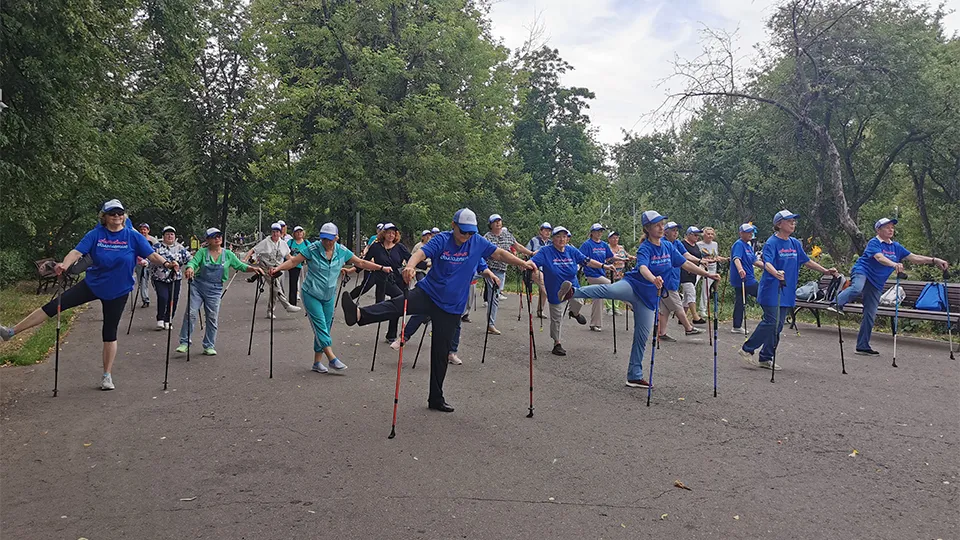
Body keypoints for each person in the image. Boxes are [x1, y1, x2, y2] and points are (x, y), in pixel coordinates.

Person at [340, 208, 536, 413]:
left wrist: (523, 263)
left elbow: (499, 253)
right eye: (463, 232)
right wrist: (411, 266)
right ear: (453, 226)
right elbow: (420, 253)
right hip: (429, 294)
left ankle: (436, 398)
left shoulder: (476, 241)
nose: (466, 236)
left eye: (470, 232)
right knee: (398, 304)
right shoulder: (443, 239)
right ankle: (360, 315)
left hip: (452, 307)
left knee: (440, 354)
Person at [0, 200, 176, 391]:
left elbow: (151, 256)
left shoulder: (133, 236)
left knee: (109, 332)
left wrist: (167, 264)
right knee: (55, 306)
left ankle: (107, 376)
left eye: (119, 213)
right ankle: (11, 332)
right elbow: (76, 252)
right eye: (112, 213)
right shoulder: (96, 235)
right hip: (93, 285)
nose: (116, 216)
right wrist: (64, 265)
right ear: (104, 217)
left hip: (118, 290)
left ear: (124, 215)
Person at [558, 211, 720, 388]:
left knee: (642, 337)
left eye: (662, 224)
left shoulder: (668, 247)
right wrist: (653, 278)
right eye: (657, 224)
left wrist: (706, 273)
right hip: (633, 286)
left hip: (649, 299)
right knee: (609, 289)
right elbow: (642, 267)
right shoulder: (645, 248)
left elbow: (684, 263)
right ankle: (573, 292)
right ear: (648, 228)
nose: (661, 227)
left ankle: (634, 376)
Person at [270, 223, 384, 373]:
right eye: (324, 238)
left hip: (329, 295)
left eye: (330, 239)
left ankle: (317, 363)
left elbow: (361, 262)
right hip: (311, 293)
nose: (326, 242)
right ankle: (332, 358)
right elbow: (293, 261)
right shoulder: (313, 248)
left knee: (325, 327)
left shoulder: (342, 251)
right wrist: (278, 268)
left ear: (336, 238)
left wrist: (381, 268)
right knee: (320, 326)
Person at [834, 217, 949, 355]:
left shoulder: (896, 247)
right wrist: (894, 264)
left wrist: (934, 260)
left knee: (870, 314)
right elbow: (879, 258)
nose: (891, 229)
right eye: (887, 227)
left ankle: (862, 346)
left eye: (892, 227)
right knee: (857, 287)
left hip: (876, 282)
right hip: (862, 271)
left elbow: (913, 257)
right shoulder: (874, 242)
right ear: (878, 229)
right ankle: (836, 304)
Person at [738, 211, 838, 370]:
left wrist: (825, 271)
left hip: (787, 289)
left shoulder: (794, 243)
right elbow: (767, 263)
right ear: (779, 224)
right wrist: (775, 273)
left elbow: (806, 261)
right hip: (771, 288)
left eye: (794, 221)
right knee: (772, 321)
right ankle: (747, 349)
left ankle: (766, 357)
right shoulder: (771, 242)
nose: (793, 224)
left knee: (777, 326)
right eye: (789, 221)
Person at [393, 260, 499, 367]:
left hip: (456, 293)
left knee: (456, 322)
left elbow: (482, 267)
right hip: (437, 288)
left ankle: (452, 352)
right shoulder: (447, 247)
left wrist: (491, 275)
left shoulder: (474, 249)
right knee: (422, 312)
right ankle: (403, 337)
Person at [176, 228, 264, 356]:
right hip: (198, 286)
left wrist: (253, 269)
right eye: (214, 237)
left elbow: (240, 266)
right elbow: (193, 262)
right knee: (191, 313)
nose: (217, 238)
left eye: (219, 236)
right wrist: (190, 268)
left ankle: (209, 345)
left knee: (212, 317)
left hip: (215, 289)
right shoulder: (202, 252)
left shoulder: (227, 254)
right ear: (208, 240)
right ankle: (184, 342)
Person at [532, 226, 614, 356]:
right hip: (554, 288)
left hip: (572, 285)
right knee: (557, 317)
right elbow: (533, 263)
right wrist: (528, 267)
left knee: (579, 301)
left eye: (564, 236)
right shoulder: (545, 251)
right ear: (553, 238)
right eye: (558, 236)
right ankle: (557, 343)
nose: (561, 239)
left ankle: (574, 313)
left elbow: (587, 261)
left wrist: (604, 266)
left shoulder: (571, 250)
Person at [483, 214, 534, 335]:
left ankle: (490, 324)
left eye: (499, 221)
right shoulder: (487, 237)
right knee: (493, 296)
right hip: (487, 268)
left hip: (501, 271)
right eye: (495, 221)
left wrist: (531, 253)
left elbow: (518, 247)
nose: (498, 223)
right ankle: (490, 324)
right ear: (490, 225)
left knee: (495, 297)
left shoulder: (508, 235)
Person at [360, 223, 411, 344]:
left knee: (397, 304)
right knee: (398, 298)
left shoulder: (399, 247)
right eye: (388, 232)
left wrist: (428, 264)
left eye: (393, 233)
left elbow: (411, 259)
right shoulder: (376, 247)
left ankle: (391, 334)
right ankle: (365, 314)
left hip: (398, 279)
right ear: (383, 233)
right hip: (383, 279)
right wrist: (351, 270)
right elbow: (364, 262)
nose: (391, 235)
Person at [658, 222, 703, 342]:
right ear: (666, 231)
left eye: (677, 230)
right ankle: (688, 328)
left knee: (665, 309)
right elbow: (684, 259)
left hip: (674, 278)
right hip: (665, 279)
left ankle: (662, 333)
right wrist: (699, 262)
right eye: (673, 230)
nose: (675, 233)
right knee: (677, 305)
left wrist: (699, 260)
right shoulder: (662, 243)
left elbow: (686, 255)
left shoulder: (677, 243)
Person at [245, 223, 301, 318]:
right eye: (273, 232)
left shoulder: (283, 243)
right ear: (271, 232)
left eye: (277, 232)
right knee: (276, 285)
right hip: (266, 268)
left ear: (280, 233)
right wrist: (245, 259)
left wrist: (297, 260)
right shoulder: (265, 242)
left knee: (274, 290)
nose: (275, 234)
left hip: (278, 269)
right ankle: (286, 305)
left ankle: (270, 311)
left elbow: (288, 256)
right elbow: (253, 250)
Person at [151, 226, 191, 330]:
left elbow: (189, 259)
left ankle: (168, 320)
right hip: (160, 278)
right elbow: (151, 258)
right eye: (167, 234)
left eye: (172, 234)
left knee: (173, 299)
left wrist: (190, 267)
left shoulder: (180, 248)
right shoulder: (157, 247)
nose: (170, 236)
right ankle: (160, 318)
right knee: (163, 297)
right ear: (163, 236)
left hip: (175, 278)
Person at [578, 223, 617, 332]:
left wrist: (624, 259)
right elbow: (580, 257)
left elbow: (610, 257)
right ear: (592, 233)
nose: (599, 233)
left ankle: (595, 323)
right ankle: (632, 303)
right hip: (591, 274)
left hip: (601, 273)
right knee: (610, 284)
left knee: (598, 297)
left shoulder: (604, 245)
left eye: (601, 231)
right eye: (597, 231)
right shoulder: (587, 245)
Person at [730, 223, 763, 334]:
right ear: (741, 233)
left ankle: (736, 326)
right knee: (762, 293)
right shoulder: (739, 244)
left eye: (751, 232)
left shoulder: (748, 246)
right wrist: (740, 269)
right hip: (744, 278)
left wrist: (768, 267)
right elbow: (736, 258)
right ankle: (770, 315)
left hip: (748, 277)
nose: (750, 234)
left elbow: (754, 261)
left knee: (740, 300)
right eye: (748, 232)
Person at [697, 227, 728, 321]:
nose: (710, 236)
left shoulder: (715, 244)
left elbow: (715, 256)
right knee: (692, 284)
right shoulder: (699, 244)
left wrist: (725, 259)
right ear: (703, 235)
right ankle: (685, 304)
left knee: (706, 289)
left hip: (712, 268)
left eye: (712, 234)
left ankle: (702, 309)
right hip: (701, 266)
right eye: (708, 234)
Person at [525, 222, 553, 318]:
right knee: (544, 283)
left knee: (544, 286)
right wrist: (533, 253)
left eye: (549, 230)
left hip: (547, 269)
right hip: (534, 268)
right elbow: (526, 254)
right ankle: (553, 302)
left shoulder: (551, 243)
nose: (547, 232)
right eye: (545, 230)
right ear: (541, 231)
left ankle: (540, 310)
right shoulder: (534, 241)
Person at [679, 226, 706, 325]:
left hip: (693, 272)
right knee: (691, 293)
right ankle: (695, 317)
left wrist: (702, 262)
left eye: (698, 235)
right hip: (685, 272)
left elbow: (697, 257)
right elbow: (684, 257)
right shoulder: (683, 244)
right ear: (689, 234)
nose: (697, 237)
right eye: (695, 235)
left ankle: (682, 317)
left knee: (686, 296)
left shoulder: (695, 246)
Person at [606, 231, 634, 316]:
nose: (615, 239)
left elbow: (626, 255)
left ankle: (616, 307)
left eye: (617, 238)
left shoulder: (621, 248)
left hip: (620, 272)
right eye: (613, 238)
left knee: (618, 289)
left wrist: (631, 257)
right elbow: (607, 258)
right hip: (609, 272)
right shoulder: (607, 247)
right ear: (609, 239)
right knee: (609, 289)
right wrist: (622, 260)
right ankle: (609, 307)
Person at [287, 226, 311, 306]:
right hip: (293, 264)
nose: (299, 233)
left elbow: (312, 252)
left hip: (303, 264)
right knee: (293, 282)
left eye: (300, 231)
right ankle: (292, 302)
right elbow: (285, 252)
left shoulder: (306, 243)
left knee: (305, 282)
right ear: (294, 233)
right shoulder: (290, 242)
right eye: (297, 232)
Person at [135, 222, 157, 308]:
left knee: (155, 281)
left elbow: (157, 252)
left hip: (152, 263)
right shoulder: (136, 239)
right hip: (140, 263)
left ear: (148, 230)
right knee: (143, 282)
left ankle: (161, 297)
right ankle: (145, 299)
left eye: (144, 229)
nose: (143, 231)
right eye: (141, 229)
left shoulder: (153, 240)